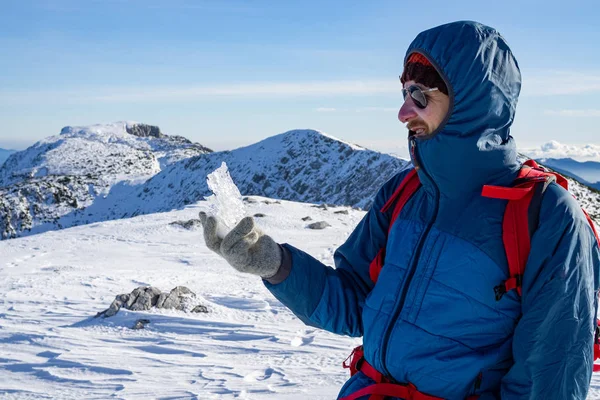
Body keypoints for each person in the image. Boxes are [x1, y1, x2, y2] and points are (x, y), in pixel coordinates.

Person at [199, 21, 600, 399]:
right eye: (405, 94)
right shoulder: (405, 193)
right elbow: (355, 303)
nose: (404, 112)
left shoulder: (545, 216)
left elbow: (551, 375)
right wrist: (275, 264)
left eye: (421, 97)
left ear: (473, 105)